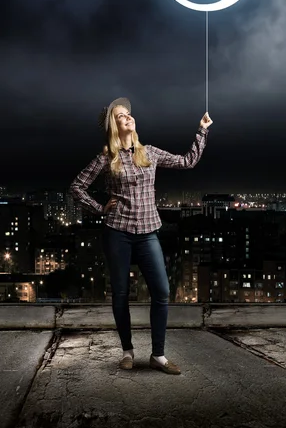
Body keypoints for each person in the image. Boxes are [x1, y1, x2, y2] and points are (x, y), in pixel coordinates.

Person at [69, 97, 212, 374]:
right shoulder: (106, 158)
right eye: (121, 116)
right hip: (117, 232)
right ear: (114, 125)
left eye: (129, 114)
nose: (128, 118)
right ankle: (127, 351)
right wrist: (99, 208)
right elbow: (76, 187)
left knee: (162, 291)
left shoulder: (150, 153)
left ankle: (158, 355)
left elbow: (188, 161)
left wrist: (202, 130)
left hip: (148, 233)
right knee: (120, 294)